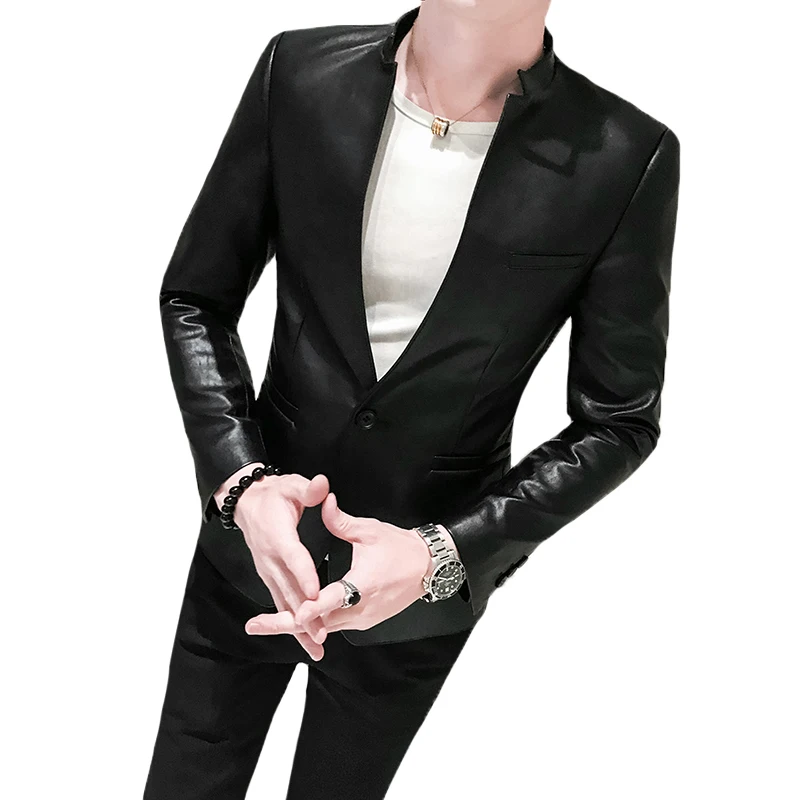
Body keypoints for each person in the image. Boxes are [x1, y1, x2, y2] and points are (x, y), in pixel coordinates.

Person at [144, 2, 681, 798]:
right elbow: (196, 296)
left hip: (418, 593)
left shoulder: (625, 154)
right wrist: (241, 482)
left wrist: (442, 555)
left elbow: (619, 421)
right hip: (251, 549)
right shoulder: (298, 73)